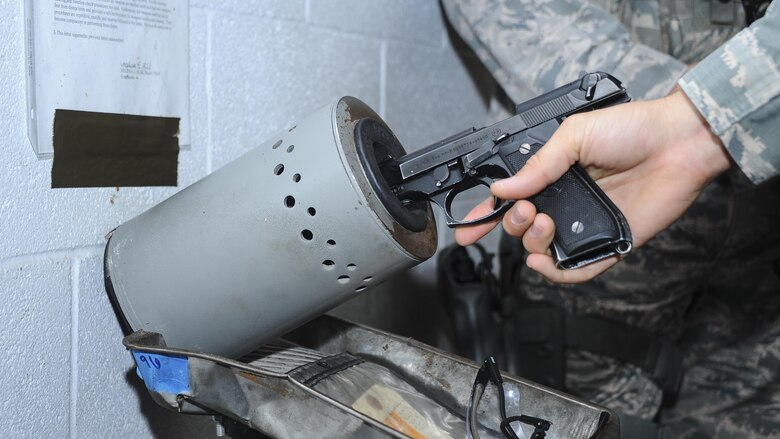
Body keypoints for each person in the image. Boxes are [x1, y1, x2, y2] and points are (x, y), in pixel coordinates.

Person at [442, 0, 780, 436]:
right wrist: (700, 113)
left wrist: (702, 117)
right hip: (602, 231)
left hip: (759, 257)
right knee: (590, 425)